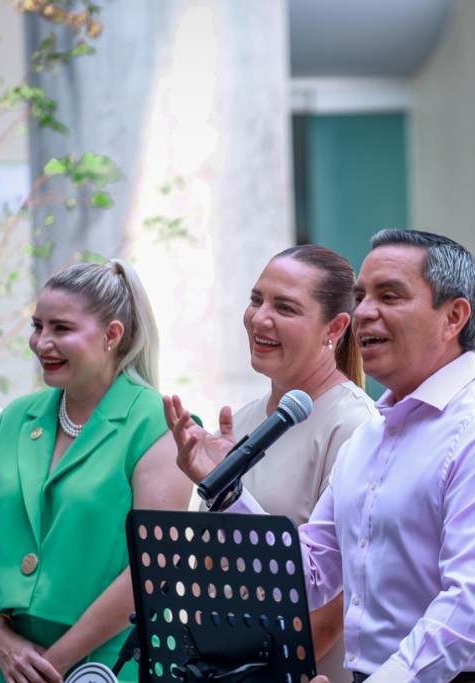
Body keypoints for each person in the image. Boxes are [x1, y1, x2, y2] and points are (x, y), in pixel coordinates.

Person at [168, 229, 475, 683]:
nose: (364, 312)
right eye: (362, 296)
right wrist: (230, 493)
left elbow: (470, 609)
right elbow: (310, 574)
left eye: (389, 296)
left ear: (454, 317)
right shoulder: (371, 436)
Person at [0, 259, 192, 683]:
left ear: (112, 335)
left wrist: (54, 664)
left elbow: (153, 565)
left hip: (110, 662)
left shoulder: (157, 423)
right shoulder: (15, 418)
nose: (41, 342)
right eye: (37, 326)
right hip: (8, 664)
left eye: (61, 328)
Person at [166, 244, 375, 680]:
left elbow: (339, 603)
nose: (259, 318)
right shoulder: (243, 421)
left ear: (335, 327)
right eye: (256, 299)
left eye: (285, 307)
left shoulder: (354, 425)